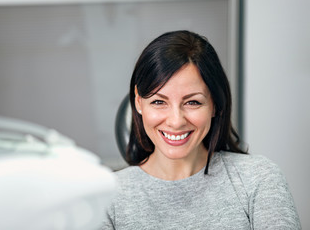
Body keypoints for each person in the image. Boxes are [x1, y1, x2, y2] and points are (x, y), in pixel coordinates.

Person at [102, 30, 301, 229]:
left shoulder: (258, 179)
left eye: (193, 102)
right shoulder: (105, 199)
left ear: (214, 104)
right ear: (138, 101)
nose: (176, 121)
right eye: (159, 101)